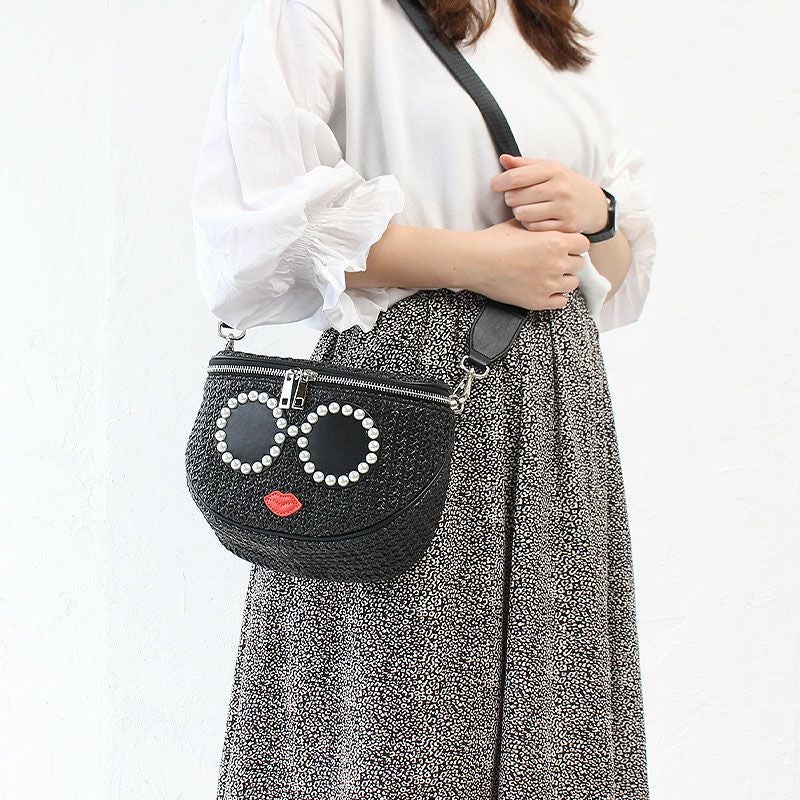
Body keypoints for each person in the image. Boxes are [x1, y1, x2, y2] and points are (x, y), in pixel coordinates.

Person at [190, 0, 656, 797]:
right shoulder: (331, 10)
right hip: (410, 388)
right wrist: (474, 260)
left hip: (561, 403)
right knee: (396, 706)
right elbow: (252, 228)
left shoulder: (552, 28)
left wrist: (598, 213)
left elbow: (611, 282)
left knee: (558, 699)